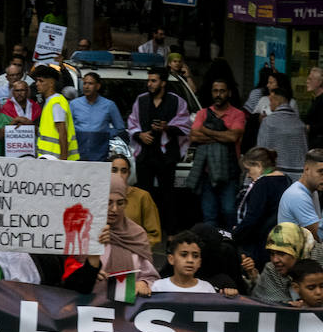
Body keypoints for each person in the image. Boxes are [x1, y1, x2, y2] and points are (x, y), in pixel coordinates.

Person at [127, 67, 191, 225]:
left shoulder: (176, 101)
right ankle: (142, 229)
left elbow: (185, 126)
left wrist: (166, 128)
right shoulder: (141, 100)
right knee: (143, 194)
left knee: (168, 196)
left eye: (153, 81)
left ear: (163, 83)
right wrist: (140, 135)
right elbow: (132, 122)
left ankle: (170, 232)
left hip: (166, 156)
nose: (149, 84)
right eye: (148, 80)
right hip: (145, 155)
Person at [246, 222, 323, 305]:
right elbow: (264, 308)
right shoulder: (272, 270)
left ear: (297, 251)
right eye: (271, 253)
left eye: (281, 253)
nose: (275, 260)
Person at [188, 79, 246, 229]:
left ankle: (229, 242)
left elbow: (233, 137)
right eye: (215, 91)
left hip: (230, 174)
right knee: (209, 215)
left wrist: (206, 130)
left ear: (229, 93)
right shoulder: (202, 113)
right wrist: (222, 136)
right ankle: (212, 242)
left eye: (222, 91)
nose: (218, 94)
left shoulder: (238, 114)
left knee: (229, 212)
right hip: (207, 173)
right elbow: (194, 136)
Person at [232, 146, 293, 269]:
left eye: (248, 170)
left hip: (264, 244)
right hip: (285, 240)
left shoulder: (262, 184)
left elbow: (253, 217)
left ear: (258, 165)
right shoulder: (286, 180)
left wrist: (236, 233)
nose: (248, 175)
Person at [276, 148, 323, 236]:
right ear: (306, 169)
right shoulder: (298, 196)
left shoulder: (313, 191)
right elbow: (321, 235)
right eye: (321, 172)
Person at [256, 80, 307, 177]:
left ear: (277, 101)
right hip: (298, 175)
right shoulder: (300, 125)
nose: (269, 104)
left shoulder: (268, 122)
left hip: (273, 174)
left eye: (271, 100)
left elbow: (261, 150)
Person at [71, 73, 125, 162]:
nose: (86, 87)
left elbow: (120, 128)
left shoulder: (109, 105)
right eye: (84, 83)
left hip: (99, 153)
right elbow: (69, 127)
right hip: (78, 151)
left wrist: (105, 134)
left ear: (98, 86)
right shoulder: (74, 104)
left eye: (90, 83)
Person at [32, 65, 77, 160]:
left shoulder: (56, 102)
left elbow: (62, 132)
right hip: (49, 158)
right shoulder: (50, 101)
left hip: (55, 159)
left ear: (51, 83)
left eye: (41, 81)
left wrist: (63, 161)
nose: (37, 84)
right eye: (37, 81)